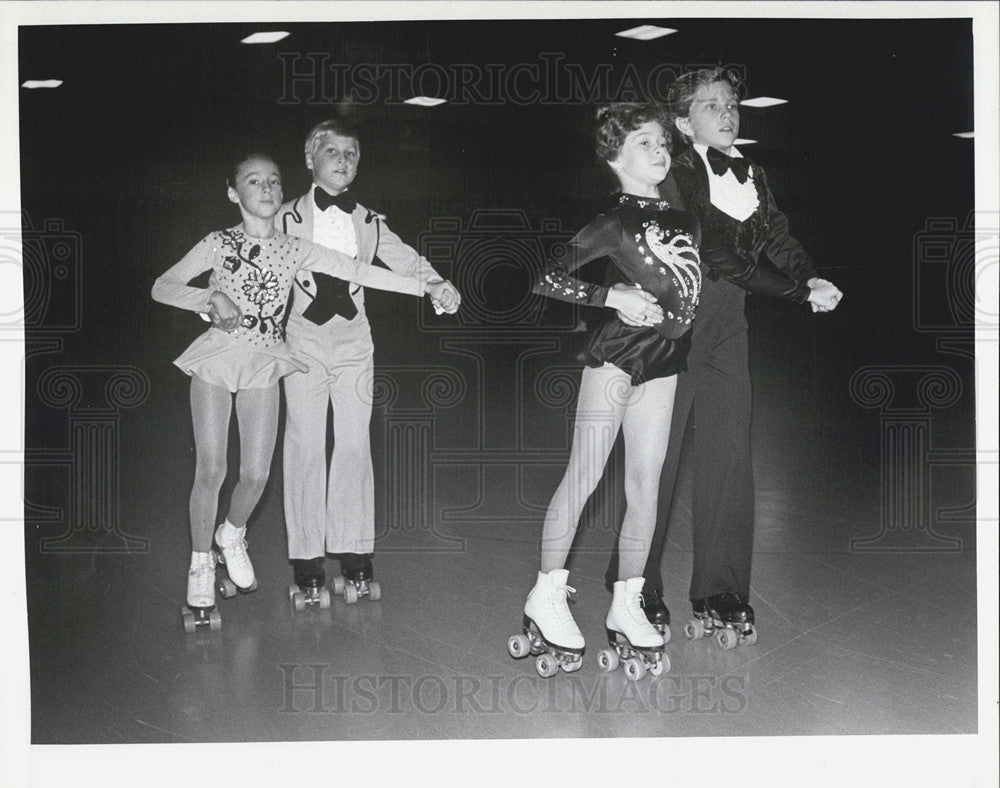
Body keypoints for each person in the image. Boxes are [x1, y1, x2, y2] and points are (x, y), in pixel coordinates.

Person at [152, 153, 453, 628]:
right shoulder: (217, 243)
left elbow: (360, 271)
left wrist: (428, 288)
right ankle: (200, 563)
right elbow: (162, 286)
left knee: (254, 475)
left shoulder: (295, 247)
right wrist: (207, 297)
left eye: (273, 180)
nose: (267, 189)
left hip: (267, 363)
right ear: (234, 193)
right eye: (254, 181)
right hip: (216, 360)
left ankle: (231, 535)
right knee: (212, 468)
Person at [605, 68, 843, 645]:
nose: (728, 112)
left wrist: (810, 274)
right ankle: (636, 586)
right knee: (654, 462)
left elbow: (776, 235)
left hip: (727, 324)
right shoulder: (677, 173)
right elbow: (714, 252)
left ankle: (722, 587)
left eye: (732, 103)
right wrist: (792, 292)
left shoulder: (753, 172)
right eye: (711, 105)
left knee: (730, 454)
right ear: (684, 124)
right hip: (675, 324)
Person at [512, 103, 702, 675]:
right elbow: (547, 276)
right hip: (616, 360)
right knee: (586, 478)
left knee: (646, 487)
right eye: (644, 142)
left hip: (666, 362)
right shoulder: (614, 222)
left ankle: (627, 599)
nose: (659, 150)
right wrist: (611, 298)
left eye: (663, 141)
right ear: (616, 158)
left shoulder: (686, 218)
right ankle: (545, 594)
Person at [277, 119, 460, 604]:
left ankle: (355, 548)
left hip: (355, 342)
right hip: (303, 341)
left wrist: (437, 284)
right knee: (306, 443)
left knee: (355, 442)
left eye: (351, 153)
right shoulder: (284, 217)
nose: (342, 160)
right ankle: (306, 554)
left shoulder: (370, 220)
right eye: (332, 151)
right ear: (310, 158)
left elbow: (403, 259)